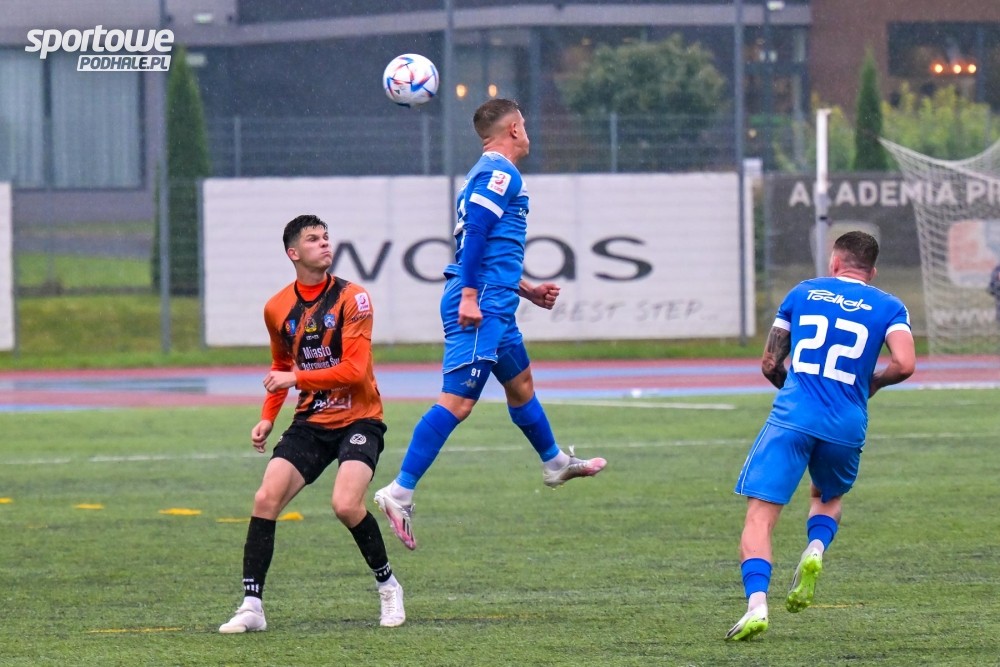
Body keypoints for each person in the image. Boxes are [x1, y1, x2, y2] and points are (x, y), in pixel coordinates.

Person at [373, 98, 607, 550]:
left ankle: (555, 462)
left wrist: (526, 290)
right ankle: (399, 492)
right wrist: (468, 295)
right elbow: (476, 234)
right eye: (525, 124)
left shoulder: (486, 174)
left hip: (496, 299)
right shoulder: (500, 173)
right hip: (481, 302)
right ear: (514, 129)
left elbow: (490, 246)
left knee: (520, 385)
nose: (528, 132)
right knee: (458, 402)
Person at [219, 214, 405, 633]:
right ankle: (252, 606)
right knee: (265, 498)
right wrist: (267, 417)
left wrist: (296, 379)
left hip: (360, 418)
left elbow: (353, 371)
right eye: (313, 239)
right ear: (293, 253)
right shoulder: (276, 308)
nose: (324, 243)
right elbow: (280, 366)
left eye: (326, 237)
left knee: (346, 505)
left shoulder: (353, 299)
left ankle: (388, 585)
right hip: (311, 421)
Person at [726, 231, 916, 641]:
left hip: (793, 417)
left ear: (834, 262)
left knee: (760, 517)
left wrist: (796, 394)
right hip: (846, 422)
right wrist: (873, 383)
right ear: (872, 271)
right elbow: (904, 363)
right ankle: (815, 549)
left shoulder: (803, 292)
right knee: (826, 497)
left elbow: (770, 363)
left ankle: (757, 606)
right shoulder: (890, 306)